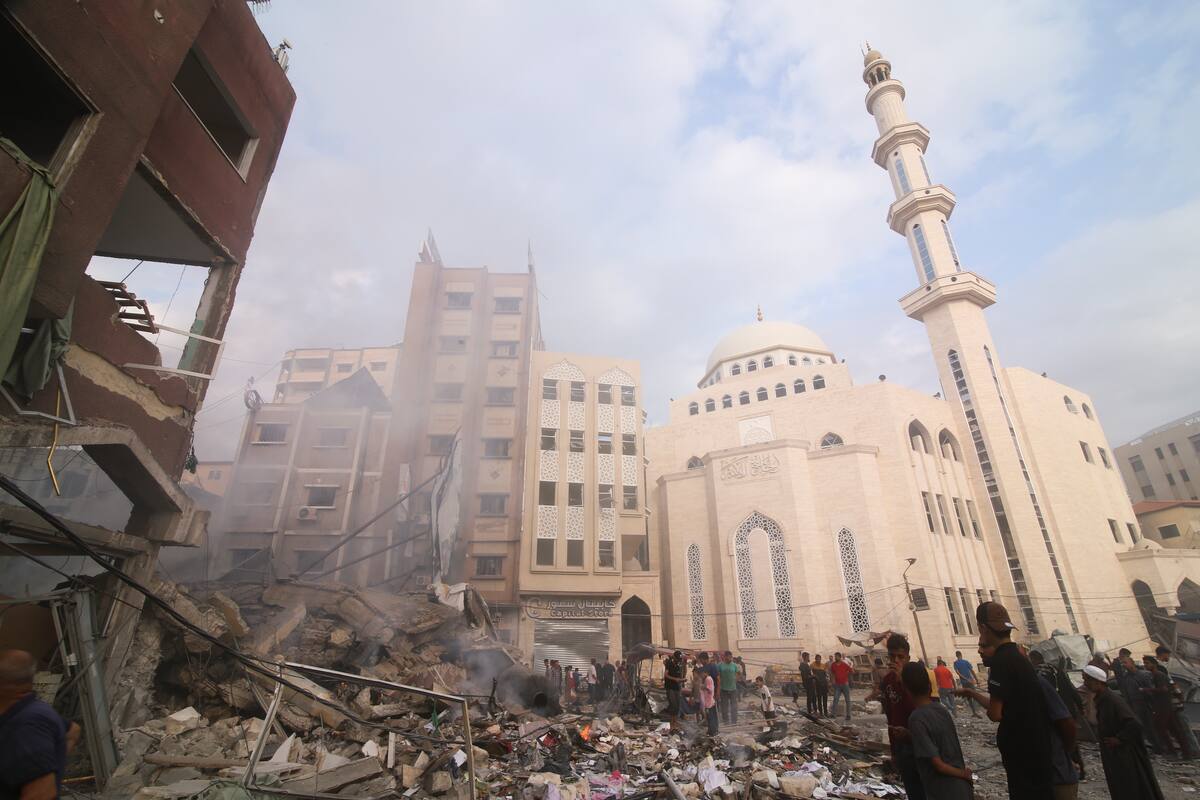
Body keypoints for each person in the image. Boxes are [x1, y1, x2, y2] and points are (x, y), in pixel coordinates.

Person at [954, 601, 1055, 800]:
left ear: (982, 628)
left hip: (1021, 751)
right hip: (1038, 747)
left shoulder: (1000, 662)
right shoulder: (1019, 657)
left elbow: (995, 713)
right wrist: (973, 694)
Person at [0, 649, 81, 800]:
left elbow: (41, 794)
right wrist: (52, 765)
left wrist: (47, 771)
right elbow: (73, 731)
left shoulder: (27, 726)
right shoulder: (32, 711)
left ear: (5, 686)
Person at [1083, 664, 1166, 800]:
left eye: (1087, 680)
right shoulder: (1102, 698)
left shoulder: (1112, 700)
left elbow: (1135, 724)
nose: (1085, 684)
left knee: (1130, 787)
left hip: (1124, 754)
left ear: (1097, 682)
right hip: (1115, 753)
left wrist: (1119, 739)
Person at [902, 662, 972, 800]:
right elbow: (939, 742)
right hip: (962, 788)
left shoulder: (916, 719)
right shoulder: (941, 709)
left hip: (944, 790)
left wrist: (963, 774)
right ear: (929, 685)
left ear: (906, 689)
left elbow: (938, 765)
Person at [872, 633, 925, 800]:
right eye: (892, 656)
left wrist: (903, 679)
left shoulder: (916, 677)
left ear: (908, 657)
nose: (896, 660)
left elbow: (921, 708)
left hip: (919, 741)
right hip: (901, 745)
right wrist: (893, 749)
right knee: (912, 789)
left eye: (900, 657)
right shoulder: (888, 680)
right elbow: (890, 713)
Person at [1142, 655, 1194, 759]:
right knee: (1174, 729)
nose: (1145, 665)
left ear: (1154, 664)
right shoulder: (1155, 675)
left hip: (1164, 706)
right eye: (1145, 663)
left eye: (1147, 663)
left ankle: (1173, 752)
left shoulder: (1158, 675)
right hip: (1165, 706)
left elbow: (1164, 689)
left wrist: (1147, 690)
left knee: (1161, 728)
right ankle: (1184, 753)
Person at [1155, 645, 1200, 755]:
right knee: (1182, 727)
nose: (1168, 657)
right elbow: (1172, 685)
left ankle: (1190, 751)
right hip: (1172, 703)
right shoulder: (1160, 668)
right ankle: (1192, 751)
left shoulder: (1161, 667)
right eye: (1167, 654)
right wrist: (1179, 697)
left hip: (1170, 703)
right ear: (1162, 654)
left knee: (1179, 727)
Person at [951, 651, 980, 718]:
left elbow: (958, 673)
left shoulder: (955, 663)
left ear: (956, 655)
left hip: (965, 682)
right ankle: (976, 711)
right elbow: (972, 671)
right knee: (975, 695)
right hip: (970, 681)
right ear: (961, 655)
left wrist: (966, 679)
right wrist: (976, 680)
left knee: (969, 697)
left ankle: (974, 711)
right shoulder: (966, 662)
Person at [717, 651, 740, 725]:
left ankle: (734, 721)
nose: (730, 658)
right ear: (725, 657)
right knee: (724, 707)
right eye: (729, 657)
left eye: (731, 657)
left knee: (734, 706)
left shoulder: (734, 665)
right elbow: (718, 676)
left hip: (733, 689)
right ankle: (726, 721)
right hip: (723, 689)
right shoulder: (720, 665)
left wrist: (735, 679)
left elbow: (738, 674)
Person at [830, 652, 853, 721]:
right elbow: (832, 673)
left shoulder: (844, 664)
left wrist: (847, 677)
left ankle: (848, 715)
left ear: (840, 657)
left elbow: (851, 671)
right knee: (835, 699)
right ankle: (834, 714)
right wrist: (832, 681)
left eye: (837, 656)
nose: (835, 658)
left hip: (845, 684)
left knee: (847, 700)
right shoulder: (833, 665)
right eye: (835, 656)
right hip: (837, 685)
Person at [696, 662, 718, 735]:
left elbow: (710, 689)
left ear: (704, 673)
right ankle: (711, 730)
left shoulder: (708, 679)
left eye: (701, 674)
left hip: (710, 702)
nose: (701, 676)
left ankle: (712, 731)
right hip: (708, 701)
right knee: (710, 717)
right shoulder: (706, 679)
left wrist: (703, 687)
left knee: (711, 718)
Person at [664, 651, 686, 722]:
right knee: (673, 705)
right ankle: (672, 722)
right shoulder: (669, 664)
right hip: (670, 688)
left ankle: (675, 722)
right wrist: (675, 679)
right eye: (678, 659)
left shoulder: (678, 666)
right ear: (674, 657)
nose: (679, 661)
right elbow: (666, 675)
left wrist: (681, 680)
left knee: (677, 706)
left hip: (677, 688)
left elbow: (680, 675)